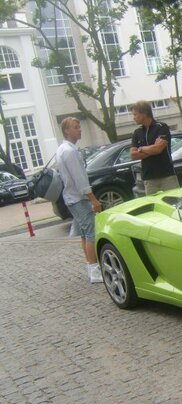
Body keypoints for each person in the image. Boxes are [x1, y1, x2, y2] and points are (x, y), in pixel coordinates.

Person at [55, 117, 103, 284]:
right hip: (78, 198)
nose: (80, 130)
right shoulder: (69, 151)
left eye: (79, 126)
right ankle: (95, 269)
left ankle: (91, 268)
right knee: (92, 233)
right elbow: (80, 179)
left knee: (84, 233)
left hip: (72, 197)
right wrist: (93, 199)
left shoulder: (63, 149)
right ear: (67, 131)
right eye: (76, 127)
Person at [130, 100, 179, 195]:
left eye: (135, 114)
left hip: (167, 176)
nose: (133, 118)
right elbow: (133, 155)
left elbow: (158, 149)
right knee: (154, 207)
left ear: (144, 114)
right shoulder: (137, 132)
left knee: (174, 203)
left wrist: (141, 149)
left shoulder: (161, 127)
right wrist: (152, 149)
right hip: (149, 179)